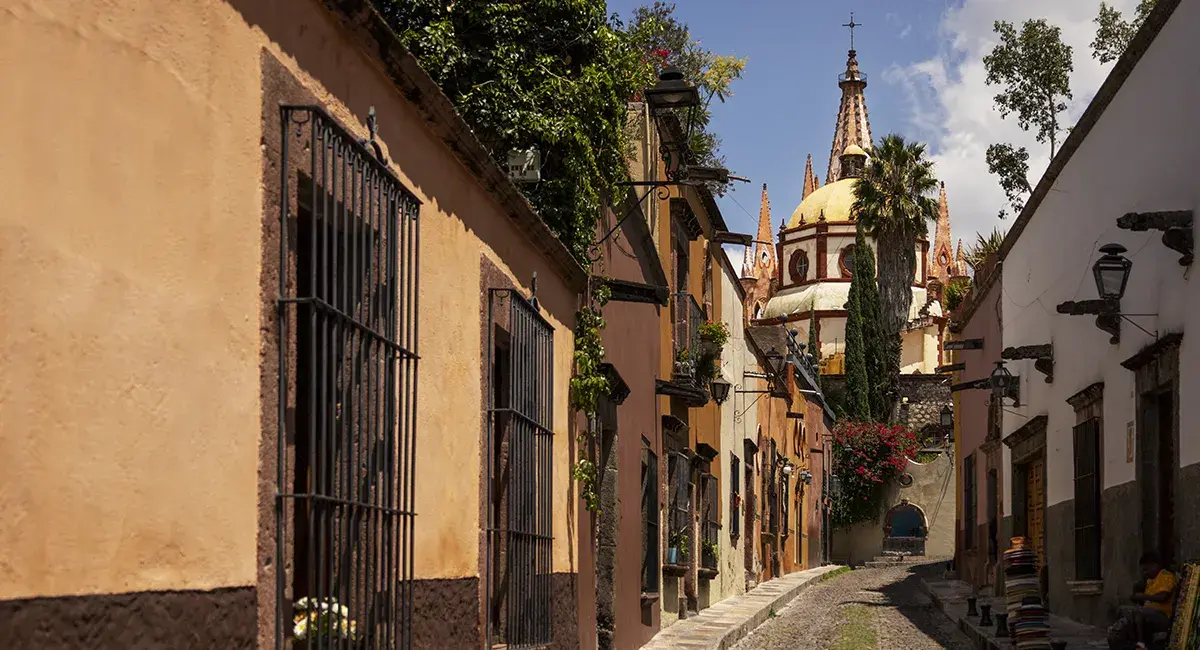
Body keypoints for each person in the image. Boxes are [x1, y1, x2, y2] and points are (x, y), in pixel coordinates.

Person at [1114, 552, 1177, 649]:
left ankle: (1141, 643)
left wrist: (1142, 596)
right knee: (1123, 610)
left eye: (1146, 569)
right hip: (1148, 614)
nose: (1145, 573)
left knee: (1138, 611)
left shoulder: (1166, 576)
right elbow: (1144, 601)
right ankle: (1129, 640)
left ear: (1154, 565)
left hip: (1163, 616)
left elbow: (1163, 597)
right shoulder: (1150, 580)